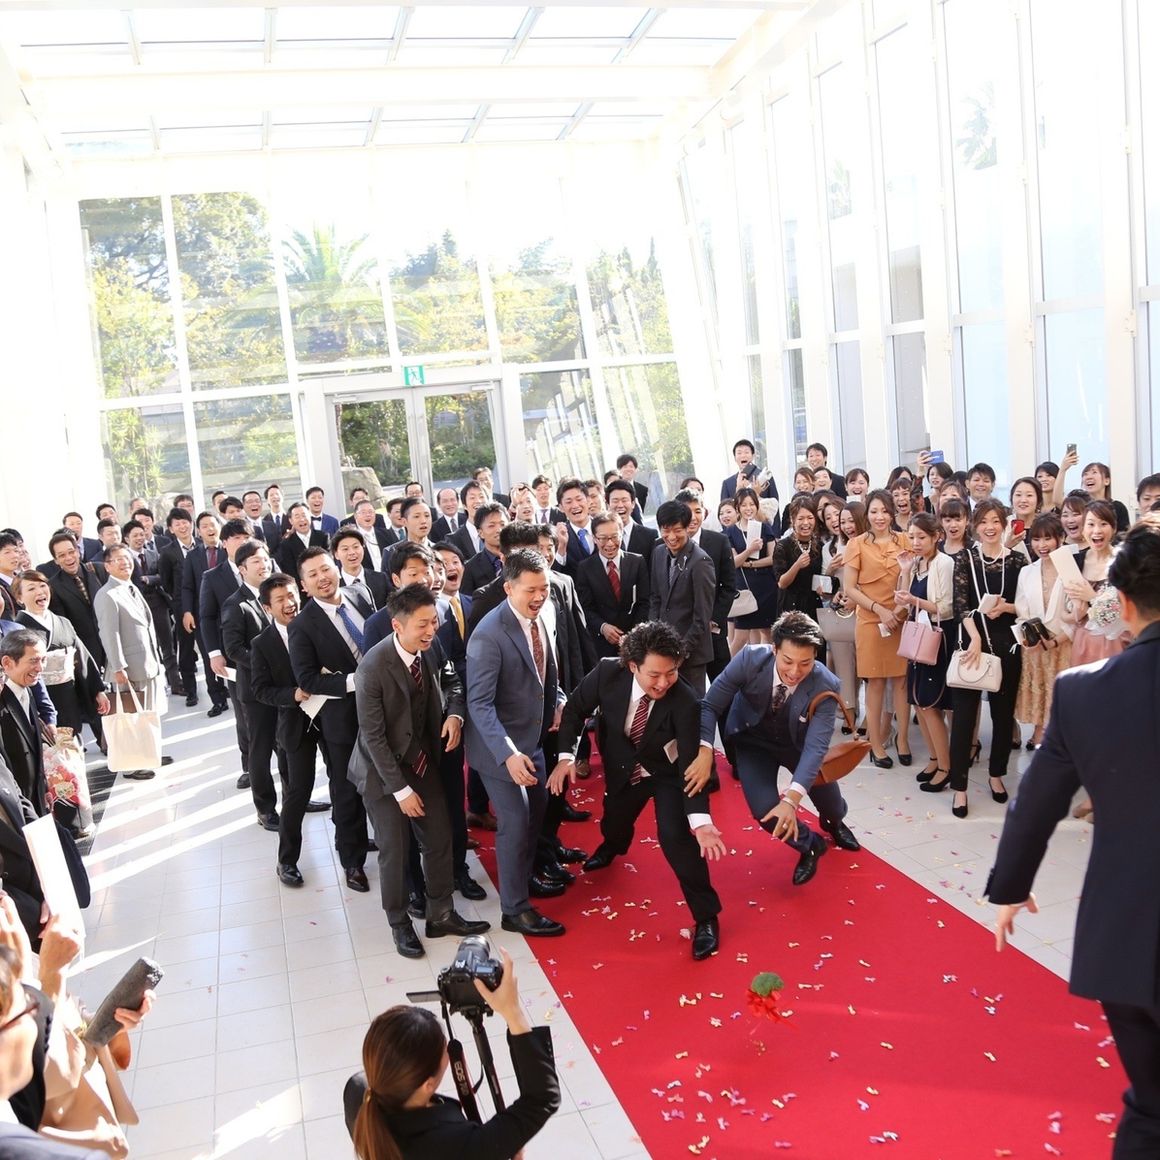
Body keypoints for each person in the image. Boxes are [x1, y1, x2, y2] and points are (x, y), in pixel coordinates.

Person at [987, 516, 1160, 1160]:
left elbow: (1035, 804)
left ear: (1125, 602)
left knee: (1150, 1106)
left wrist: (1010, 887)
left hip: (1124, 938)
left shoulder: (1084, 692)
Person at [550, 621, 726, 960]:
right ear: (633, 666)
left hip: (667, 774)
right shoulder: (607, 673)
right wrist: (566, 757)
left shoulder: (685, 700)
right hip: (622, 767)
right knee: (614, 823)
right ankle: (613, 846)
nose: (663, 683)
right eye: (654, 675)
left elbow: (690, 766)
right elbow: (575, 710)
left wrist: (701, 821)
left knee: (676, 839)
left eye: (671, 673)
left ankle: (706, 917)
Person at [347, 584, 490, 959]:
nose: (431, 630)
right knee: (395, 851)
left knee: (440, 837)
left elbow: (451, 679)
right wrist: (400, 791)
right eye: (422, 624)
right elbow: (374, 738)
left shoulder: (432, 646)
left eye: (434, 621)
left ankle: (440, 913)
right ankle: (399, 923)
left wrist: (455, 714)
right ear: (397, 625)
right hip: (383, 773)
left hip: (422, 761)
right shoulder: (372, 668)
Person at [688, 610, 860, 887]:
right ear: (774, 648)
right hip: (753, 743)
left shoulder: (826, 685)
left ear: (815, 656)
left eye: (805, 663)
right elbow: (709, 705)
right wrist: (705, 748)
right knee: (766, 811)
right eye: (787, 661)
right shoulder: (748, 660)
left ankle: (834, 822)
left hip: (799, 745)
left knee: (832, 805)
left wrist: (791, 800)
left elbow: (815, 748)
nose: (795, 672)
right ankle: (811, 844)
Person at [345, 947, 558, 1158]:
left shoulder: (359, 1093)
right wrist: (513, 1012)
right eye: (444, 1049)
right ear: (428, 1084)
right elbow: (542, 1098)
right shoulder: (456, 1145)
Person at [465, 550, 567, 937]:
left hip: (534, 738)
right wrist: (508, 754)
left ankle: (523, 880)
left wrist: (558, 701)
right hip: (499, 749)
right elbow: (479, 703)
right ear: (508, 588)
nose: (540, 597)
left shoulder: (544, 614)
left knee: (537, 810)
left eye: (544, 588)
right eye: (531, 590)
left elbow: (548, 669)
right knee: (515, 820)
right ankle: (514, 910)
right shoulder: (488, 634)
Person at [936, 498, 1027, 817]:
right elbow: (961, 605)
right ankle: (959, 787)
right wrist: (974, 637)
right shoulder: (965, 559)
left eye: (996, 521)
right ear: (975, 525)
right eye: (984, 521)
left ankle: (996, 774)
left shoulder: (1017, 561)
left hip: (1007, 646)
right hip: (971, 644)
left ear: (1004, 524)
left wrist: (1007, 607)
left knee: (1003, 716)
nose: (990, 527)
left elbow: (1026, 605)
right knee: (963, 718)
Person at [288, 548, 371, 892]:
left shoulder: (360, 595)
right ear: (304, 585)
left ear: (336, 568)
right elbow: (307, 679)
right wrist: (355, 681)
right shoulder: (302, 626)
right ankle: (352, 860)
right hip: (343, 718)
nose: (322, 578)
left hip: (384, 708)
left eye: (325, 569)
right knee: (347, 788)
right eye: (313, 574)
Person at [249, 573, 323, 888]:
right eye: (280, 599)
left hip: (330, 717)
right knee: (297, 791)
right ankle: (287, 860)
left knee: (346, 781)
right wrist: (292, 694)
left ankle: (352, 844)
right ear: (268, 608)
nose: (289, 603)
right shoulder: (262, 644)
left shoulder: (316, 626)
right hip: (295, 723)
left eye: (292, 595)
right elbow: (260, 690)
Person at [842, 490, 911, 768]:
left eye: (884, 511)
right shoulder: (856, 544)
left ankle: (903, 739)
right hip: (871, 621)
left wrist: (898, 611)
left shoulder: (905, 540)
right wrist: (879, 610)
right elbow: (850, 588)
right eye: (874, 511)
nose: (879, 517)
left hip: (900, 618)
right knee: (876, 682)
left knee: (902, 681)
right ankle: (876, 745)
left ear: (892, 513)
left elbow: (912, 577)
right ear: (867, 514)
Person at [220, 538, 284, 830]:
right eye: (256, 561)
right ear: (242, 568)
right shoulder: (235, 604)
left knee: (288, 747)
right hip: (256, 690)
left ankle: (297, 796)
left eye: (266, 559)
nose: (264, 565)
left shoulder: (279, 594)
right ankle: (265, 809)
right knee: (260, 751)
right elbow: (233, 649)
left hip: (283, 688)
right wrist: (266, 664)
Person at [93, 543, 164, 782]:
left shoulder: (131, 587)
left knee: (145, 714)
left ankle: (148, 754)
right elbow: (109, 633)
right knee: (130, 718)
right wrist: (118, 666)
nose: (125, 563)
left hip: (146, 663)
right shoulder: (107, 594)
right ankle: (132, 765)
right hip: (128, 668)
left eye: (127, 558)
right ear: (107, 566)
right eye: (118, 559)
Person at [13, 573, 108, 748]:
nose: (40, 591)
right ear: (19, 598)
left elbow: (82, 657)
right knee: (53, 751)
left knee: (73, 742)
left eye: (43, 586)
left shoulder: (62, 622)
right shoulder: (19, 629)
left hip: (68, 694)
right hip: (41, 700)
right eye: (31, 588)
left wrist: (97, 689)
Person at [893, 513, 954, 785]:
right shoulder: (917, 562)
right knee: (919, 703)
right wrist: (905, 571)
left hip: (936, 640)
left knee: (930, 705)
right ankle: (934, 758)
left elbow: (946, 608)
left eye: (921, 537)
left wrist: (914, 600)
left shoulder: (944, 563)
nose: (916, 542)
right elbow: (904, 602)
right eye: (912, 537)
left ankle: (945, 767)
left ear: (936, 537)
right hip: (918, 637)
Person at [200, 518, 254, 791]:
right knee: (244, 712)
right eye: (236, 538)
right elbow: (207, 617)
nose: (242, 543)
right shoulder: (213, 576)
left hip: (267, 650)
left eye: (246, 537)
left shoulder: (265, 566)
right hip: (234, 655)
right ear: (224, 544)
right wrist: (214, 653)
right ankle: (249, 767)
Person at [1013, 513, 1072, 751]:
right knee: (1040, 697)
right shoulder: (1027, 571)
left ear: (1060, 539)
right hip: (1036, 647)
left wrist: (1057, 640)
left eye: (1048, 538)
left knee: (1062, 697)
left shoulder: (1070, 569)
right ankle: (1039, 734)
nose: (1042, 545)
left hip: (1064, 645)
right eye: (1036, 539)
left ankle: (1059, 740)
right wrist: (1030, 638)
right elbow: (1021, 610)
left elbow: (1078, 613)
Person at [649, 501, 715, 693]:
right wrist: (654, 638)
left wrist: (680, 652)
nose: (671, 537)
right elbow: (655, 598)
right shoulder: (658, 553)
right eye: (666, 530)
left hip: (690, 655)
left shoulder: (701, 561)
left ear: (687, 528)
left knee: (692, 704)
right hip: (662, 651)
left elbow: (702, 617)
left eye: (677, 530)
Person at [573, 513, 649, 660]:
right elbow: (585, 607)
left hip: (635, 641)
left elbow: (645, 602)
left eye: (614, 537)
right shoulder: (585, 568)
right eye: (603, 538)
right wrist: (603, 627)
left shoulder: (637, 562)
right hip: (602, 644)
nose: (609, 544)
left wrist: (633, 633)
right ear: (594, 538)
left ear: (622, 534)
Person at [1063, 500, 1127, 665]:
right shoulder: (1076, 561)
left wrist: (1091, 597)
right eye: (1091, 524)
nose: (1097, 530)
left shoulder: (1124, 562)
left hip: (1116, 643)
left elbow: (1126, 611)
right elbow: (1063, 611)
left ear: (1113, 528)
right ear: (1083, 529)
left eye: (1103, 524)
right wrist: (1076, 613)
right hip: (1083, 642)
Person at [181, 511, 230, 717]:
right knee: (211, 656)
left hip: (230, 613)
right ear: (198, 531)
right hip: (205, 616)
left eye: (213, 524)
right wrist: (187, 611)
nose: (210, 529)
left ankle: (237, 690)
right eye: (204, 526)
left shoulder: (230, 550)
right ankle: (217, 699)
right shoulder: (193, 556)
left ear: (220, 527)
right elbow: (187, 586)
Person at [0, 631, 52, 810]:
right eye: (33, 661)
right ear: (7, 663)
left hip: (35, 799)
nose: (40, 668)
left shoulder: (27, 690)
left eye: (43, 660)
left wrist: (43, 787)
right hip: (16, 807)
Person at [727, 487, 780, 651]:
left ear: (757, 506)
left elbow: (773, 558)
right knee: (741, 636)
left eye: (751, 504)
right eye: (744, 505)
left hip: (766, 586)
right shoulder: (731, 531)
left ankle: (766, 663)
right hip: (744, 586)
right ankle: (729, 666)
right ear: (737, 508)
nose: (748, 508)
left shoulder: (765, 528)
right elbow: (734, 562)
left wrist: (750, 564)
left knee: (768, 633)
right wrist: (750, 550)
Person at [157, 508, 200, 706]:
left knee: (211, 647)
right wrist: (179, 603)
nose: (183, 526)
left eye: (185, 522)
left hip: (206, 603)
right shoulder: (167, 552)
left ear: (191, 524)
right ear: (171, 529)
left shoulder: (201, 545)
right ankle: (191, 690)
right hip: (183, 607)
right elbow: (166, 582)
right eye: (177, 524)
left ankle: (218, 686)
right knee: (186, 648)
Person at [1051, 449, 1131, 532]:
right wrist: (1063, 469)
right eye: (1085, 474)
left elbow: (1124, 535)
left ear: (1106, 481)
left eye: (1094, 472)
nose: (1089, 477)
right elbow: (1057, 501)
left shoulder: (1117, 507)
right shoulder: (1080, 504)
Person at [771, 496, 822, 621]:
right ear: (792, 520)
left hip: (813, 605)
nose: (806, 523)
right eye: (801, 518)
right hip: (790, 606)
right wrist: (797, 565)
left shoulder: (819, 545)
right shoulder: (783, 545)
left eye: (810, 518)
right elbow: (782, 583)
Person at [333, 527, 391, 616]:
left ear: (363, 548)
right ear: (336, 554)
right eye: (345, 549)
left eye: (356, 547)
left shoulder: (381, 578)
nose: (352, 552)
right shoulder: (334, 586)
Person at [550, 478, 597, 576]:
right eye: (568, 502)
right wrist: (561, 548)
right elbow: (554, 575)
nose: (575, 505)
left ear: (588, 500)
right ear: (561, 507)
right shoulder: (557, 537)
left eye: (579, 499)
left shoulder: (603, 527)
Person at [461, 504, 508, 595]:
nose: (499, 530)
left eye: (502, 524)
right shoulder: (470, 568)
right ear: (480, 533)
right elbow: (467, 600)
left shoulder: (520, 560)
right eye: (491, 526)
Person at [276, 501, 329, 577]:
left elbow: (328, 562)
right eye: (297, 516)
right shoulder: (286, 544)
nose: (302, 519)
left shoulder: (323, 537)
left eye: (304, 515)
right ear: (291, 521)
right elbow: (289, 571)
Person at [605, 480, 656, 556]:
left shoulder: (650, 536)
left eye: (624, 500)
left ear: (633, 504)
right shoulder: (601, 537)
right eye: (615, 501)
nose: (620, 505)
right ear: (608, 505)